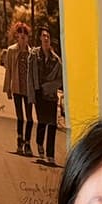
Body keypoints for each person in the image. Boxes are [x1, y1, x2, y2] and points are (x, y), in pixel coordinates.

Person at [28, 27, 64, 164]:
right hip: (38, 94)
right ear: (40, 38)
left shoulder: (56, 60)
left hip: (51, 95)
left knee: (52, 124)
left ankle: (51, 155)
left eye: (48, 36)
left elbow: (61, 79)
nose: (46, 38)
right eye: (44, 36)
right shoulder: (34, 55)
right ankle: (39, 143)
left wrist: (49, 87)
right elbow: (30, 77)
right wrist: (32, 94)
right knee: (42, 121)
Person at [2, 22, 35, 155]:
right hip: (16, 88)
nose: (23, 39)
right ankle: (20, 139)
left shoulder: (31, 53)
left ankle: (27, 142)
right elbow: (8, 70)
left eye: (25, 36)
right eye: (20, 36)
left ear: (27, 38)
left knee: (30, 118)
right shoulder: (11, 50)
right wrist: (8, 88)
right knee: (20, 117)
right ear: (17, 37)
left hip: (28, 90)